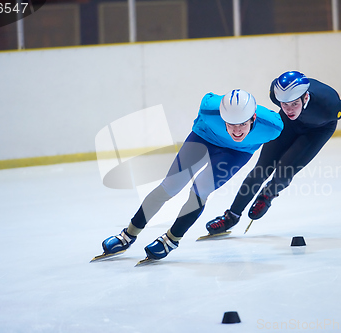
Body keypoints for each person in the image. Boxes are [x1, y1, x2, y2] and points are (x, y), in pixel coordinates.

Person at [98, 89, 283, 261]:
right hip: (204, 138)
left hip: (236, 153)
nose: (236, 131)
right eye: (230, 124)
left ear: (254, 117)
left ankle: (172, 238)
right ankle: (128, 234)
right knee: (170, 186)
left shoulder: (272, 126)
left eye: (242, 124)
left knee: (201, 189)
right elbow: (208, 97)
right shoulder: (210, 110)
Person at [206, 71, 341, 234]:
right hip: (289, 125)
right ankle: (231, 216)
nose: (289, 109)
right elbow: (286, 106)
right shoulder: (276, 93)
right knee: (261, 169)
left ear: (305, 97)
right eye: (285, 104)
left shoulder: (330, 106)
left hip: (318, 131)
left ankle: (269, 194)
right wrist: (288, 107)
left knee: (285, 170)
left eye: (294, 103)